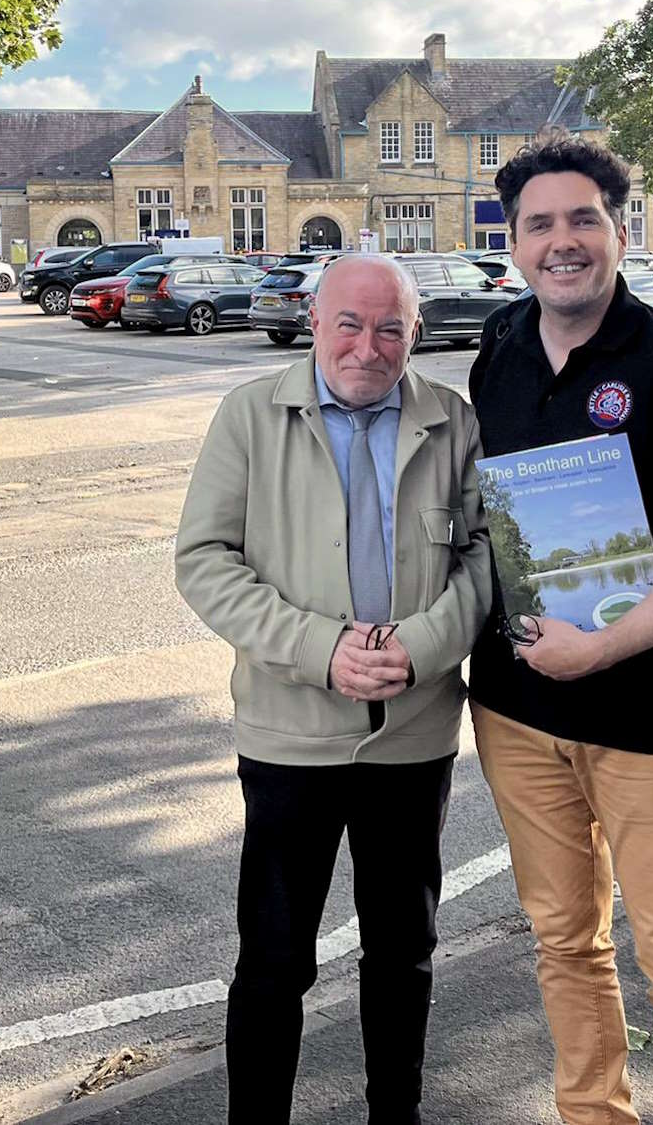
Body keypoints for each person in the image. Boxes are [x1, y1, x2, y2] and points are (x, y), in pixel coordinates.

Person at [468, 131, 653, 1125]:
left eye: (582, 219)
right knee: (562, 941)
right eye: (538, 224)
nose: (562, 241)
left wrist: (596, 647)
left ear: (618, 230)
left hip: (644, 717)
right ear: (511, 241)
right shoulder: (499, 349)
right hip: (513, 707)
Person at [175, 254, 491, 1125]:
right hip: (289, 738)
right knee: (275, 960)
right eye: (349, 323)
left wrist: (422, 647)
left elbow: (483, 558)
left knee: (403, 951)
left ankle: (397, 1114)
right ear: (313, 322)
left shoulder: (452, 420)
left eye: (391, 327)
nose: (368, 345)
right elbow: (204, 560)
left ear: (415, 334)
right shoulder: (249, 415)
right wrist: (322, 650)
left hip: (413, 736)